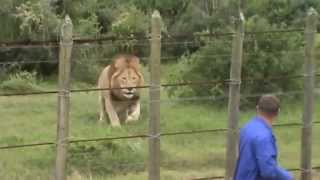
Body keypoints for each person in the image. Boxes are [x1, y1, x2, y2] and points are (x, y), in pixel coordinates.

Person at [234, 94, 293, 180]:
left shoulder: (247, 128)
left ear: (257, 108)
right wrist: (287, 177)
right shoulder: (264, 137)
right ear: (278, 112)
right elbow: (268, 171)